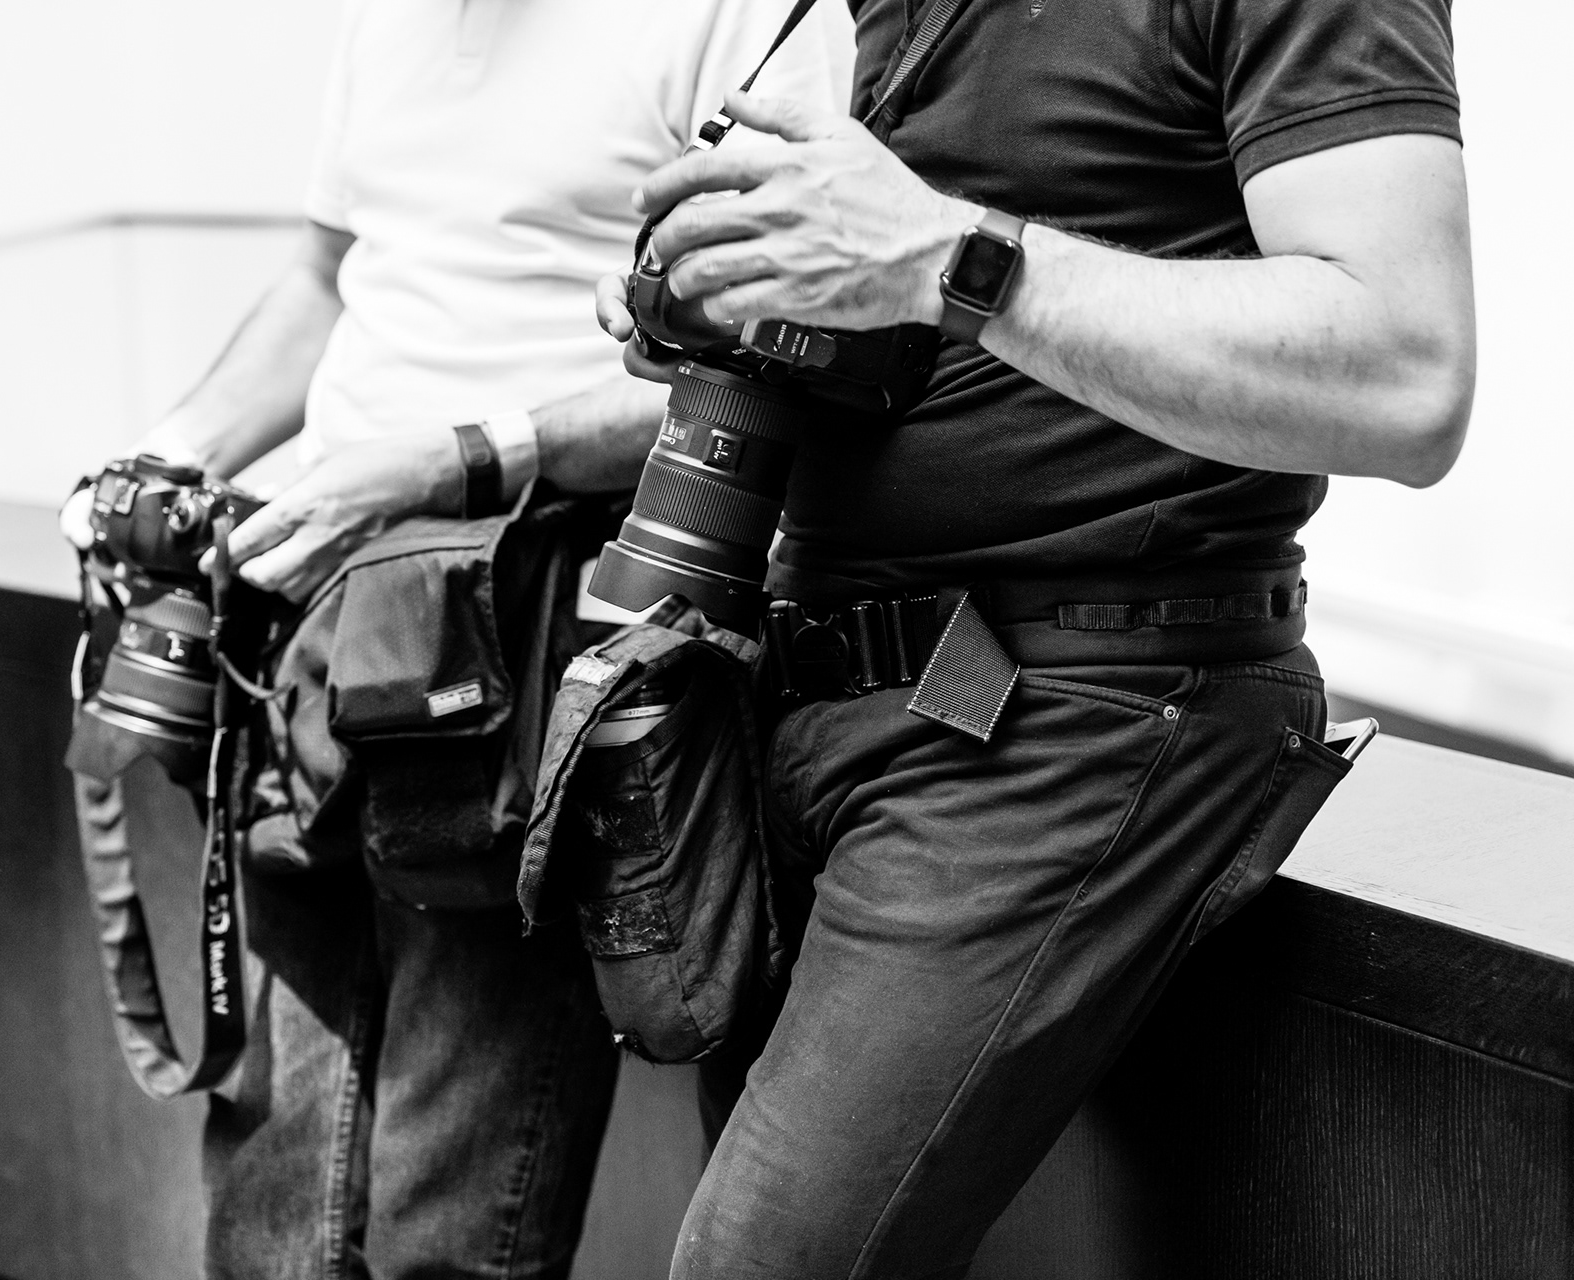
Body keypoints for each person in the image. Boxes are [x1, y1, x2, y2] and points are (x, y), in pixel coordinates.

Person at [595, 0, 1474, 1274]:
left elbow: (1407, 374)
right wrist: (739, 295)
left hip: (1061, 710)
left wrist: (946, 255)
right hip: (805, 705)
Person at [64, 2, 840, 1276]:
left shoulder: (739, 17)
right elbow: (325, 279)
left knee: (451, 1192)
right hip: (325, 611)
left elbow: (766, 363)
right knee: (267, 1181)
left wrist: (461, 456)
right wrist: (170, 452)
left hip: (530, 635)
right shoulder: (388, 21)